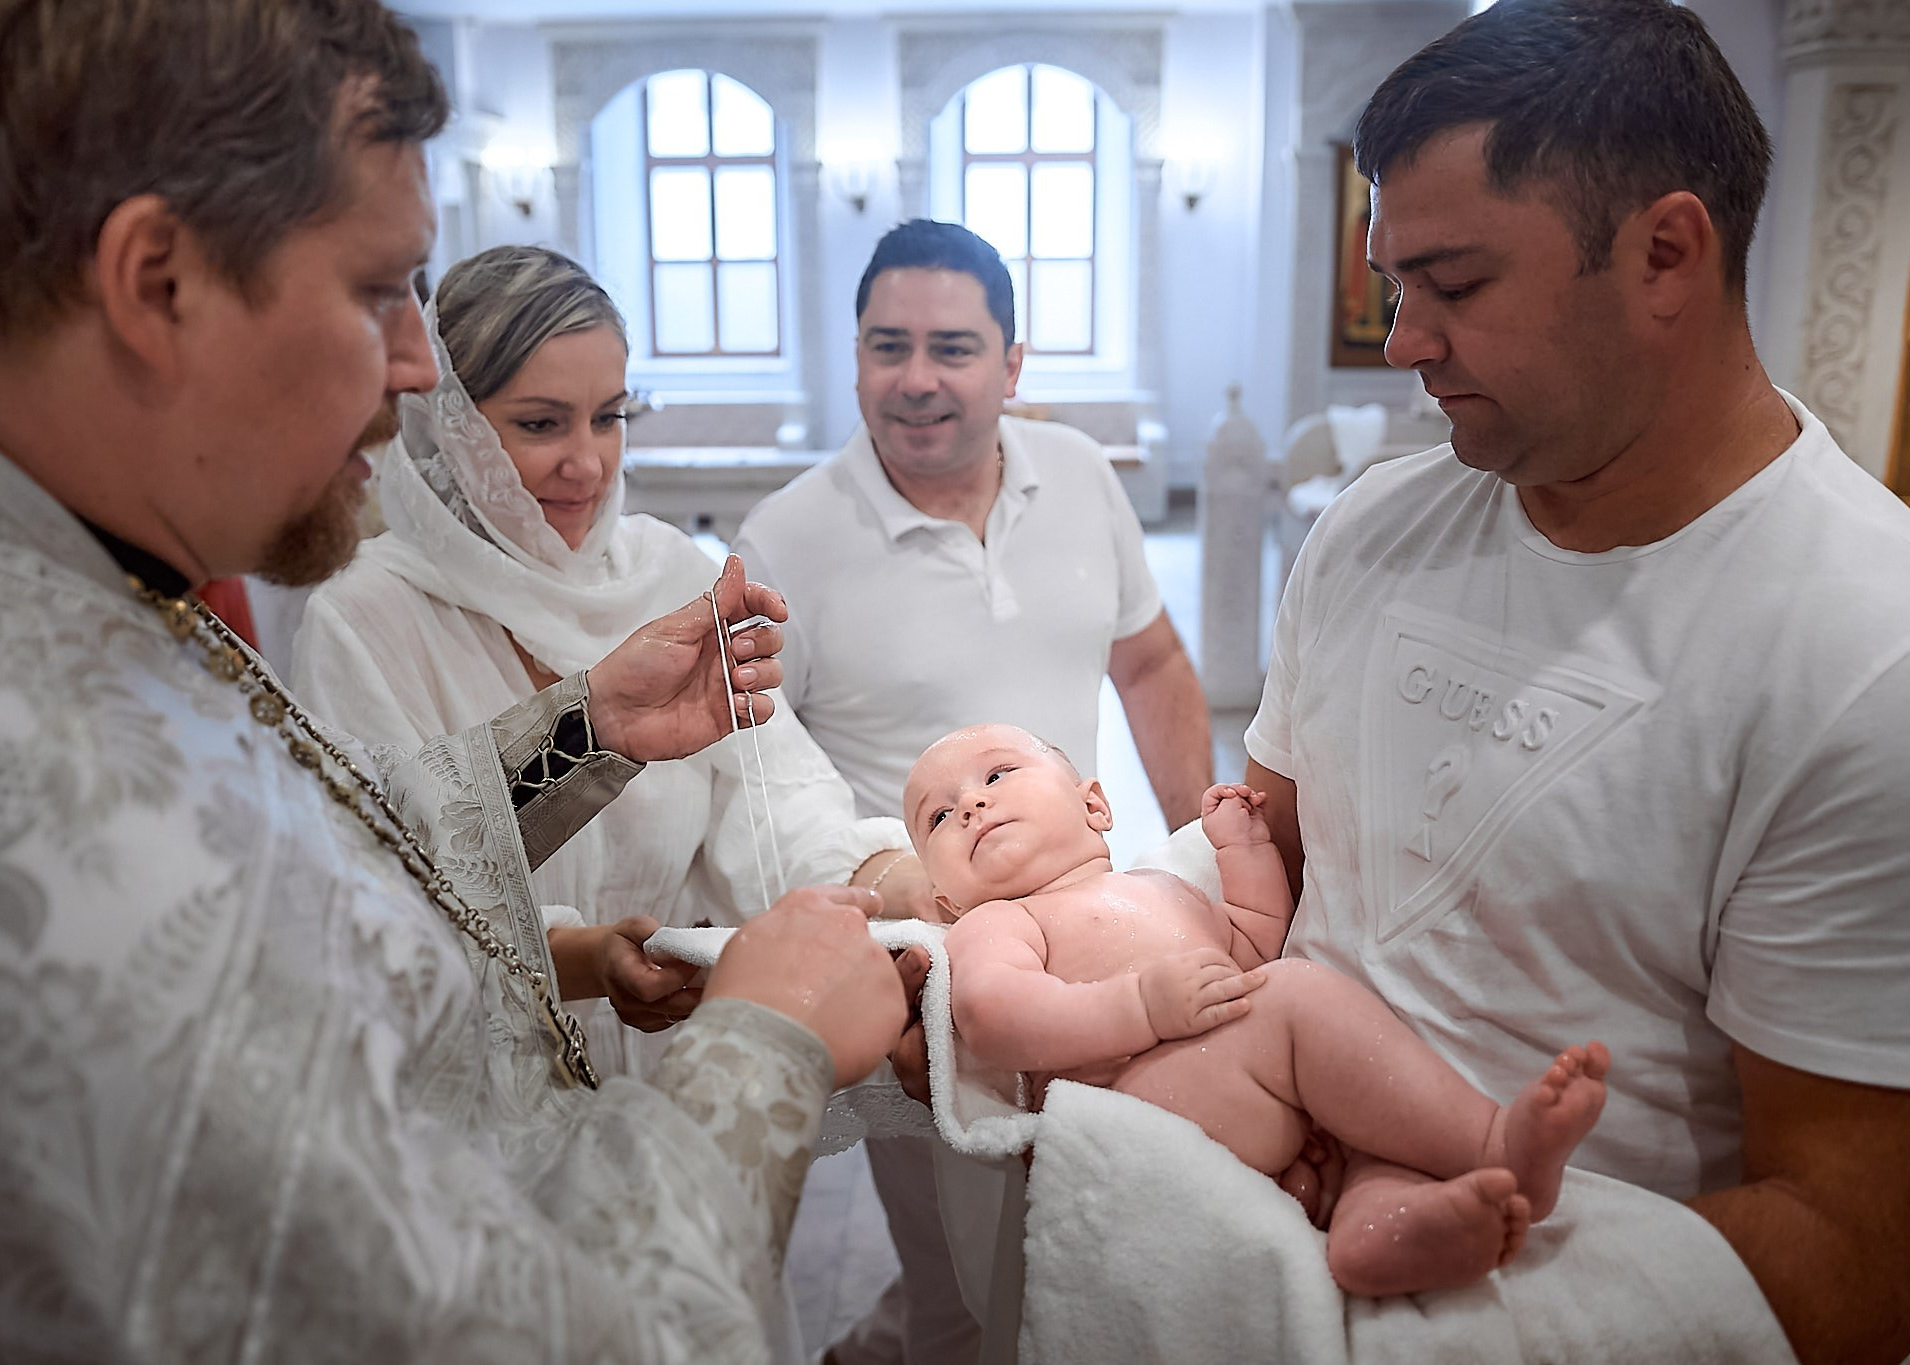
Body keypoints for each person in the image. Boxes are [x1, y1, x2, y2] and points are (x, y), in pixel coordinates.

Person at [0, 2, 923, 1359]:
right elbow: (562, 1338)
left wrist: (585, 730)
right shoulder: (39, 819)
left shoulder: (47, 577)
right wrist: (765, 1042)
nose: (419, 370)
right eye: (378, 293)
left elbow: (336, 840)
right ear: (154, 280)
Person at [1236, 0, 1910, 1359]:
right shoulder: (1374, 525)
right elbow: (1275, 879)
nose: (1404, 341)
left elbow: (1854, 1257)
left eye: (1457, 285)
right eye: (1392, 285)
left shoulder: (1864, 649)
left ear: (1666, 252)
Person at [731, 219, 1214, 1364]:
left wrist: (1205, 847)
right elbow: (751, 781)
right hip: (927, 977)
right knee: (963, 1278)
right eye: (884, 345)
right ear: (852, 357)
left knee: (1102, 1237)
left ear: (1011, 362)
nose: (914, 379)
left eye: (951, 347)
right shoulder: (786, 537)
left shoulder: (1083, 477)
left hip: (1093, 925)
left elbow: (1147, 664)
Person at [292, 245, 924, 1080]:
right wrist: (579, 958)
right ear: (450, 426)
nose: (587, 463)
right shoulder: (364, 618)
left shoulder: (668, 575)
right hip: (478, 1097)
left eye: (610, 416)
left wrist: (902, 888)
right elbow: (374, 900)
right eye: (541, 423)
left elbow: (777, 802)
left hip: (670, 1077)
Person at [913, 723, 1609, 1297]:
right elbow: (992, 1011)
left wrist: (1244, 850)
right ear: (945, 901)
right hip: (1131, 1108)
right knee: (1298, 992)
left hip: (1230, 1095)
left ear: (1094, 805)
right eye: (939, 815)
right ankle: (1493, 1142)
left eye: (997, 775)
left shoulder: (1162, 885)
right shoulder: (999, 921)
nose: (971, 805)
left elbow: (1251, 941)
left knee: (1364, 1116)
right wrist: (1141, 1006)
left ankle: (1373, 1226)